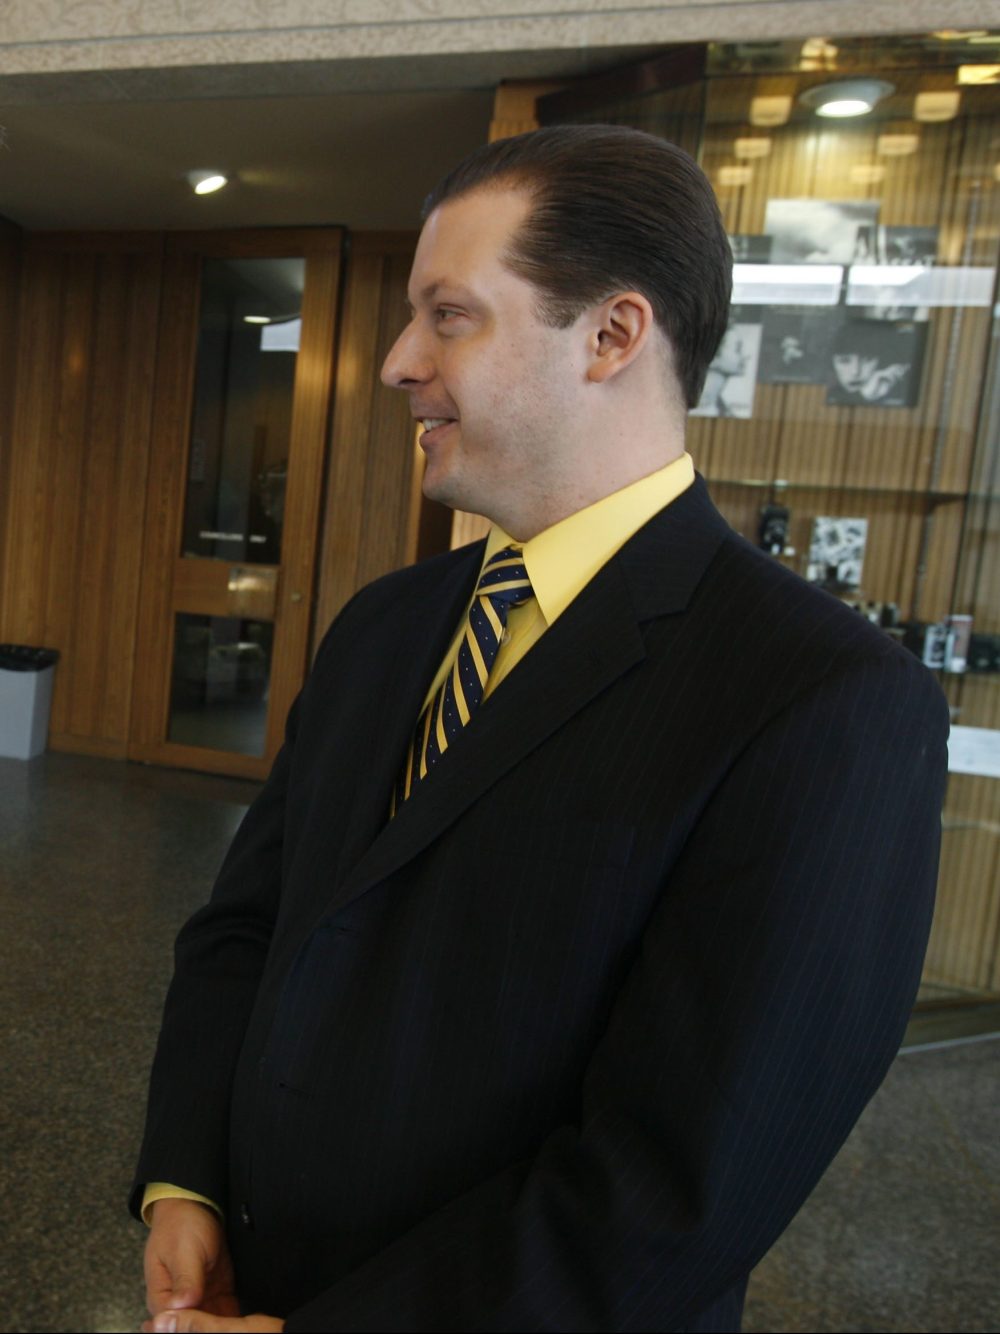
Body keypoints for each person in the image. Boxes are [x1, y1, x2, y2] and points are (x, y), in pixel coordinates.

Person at [135, 125, 949, 1334]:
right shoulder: (383, 624)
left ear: (611, 335)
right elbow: (247, 925)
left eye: (449, 316)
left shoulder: (824, 699)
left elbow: (678, 1182)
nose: (397, 362)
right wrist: (184, 1175)